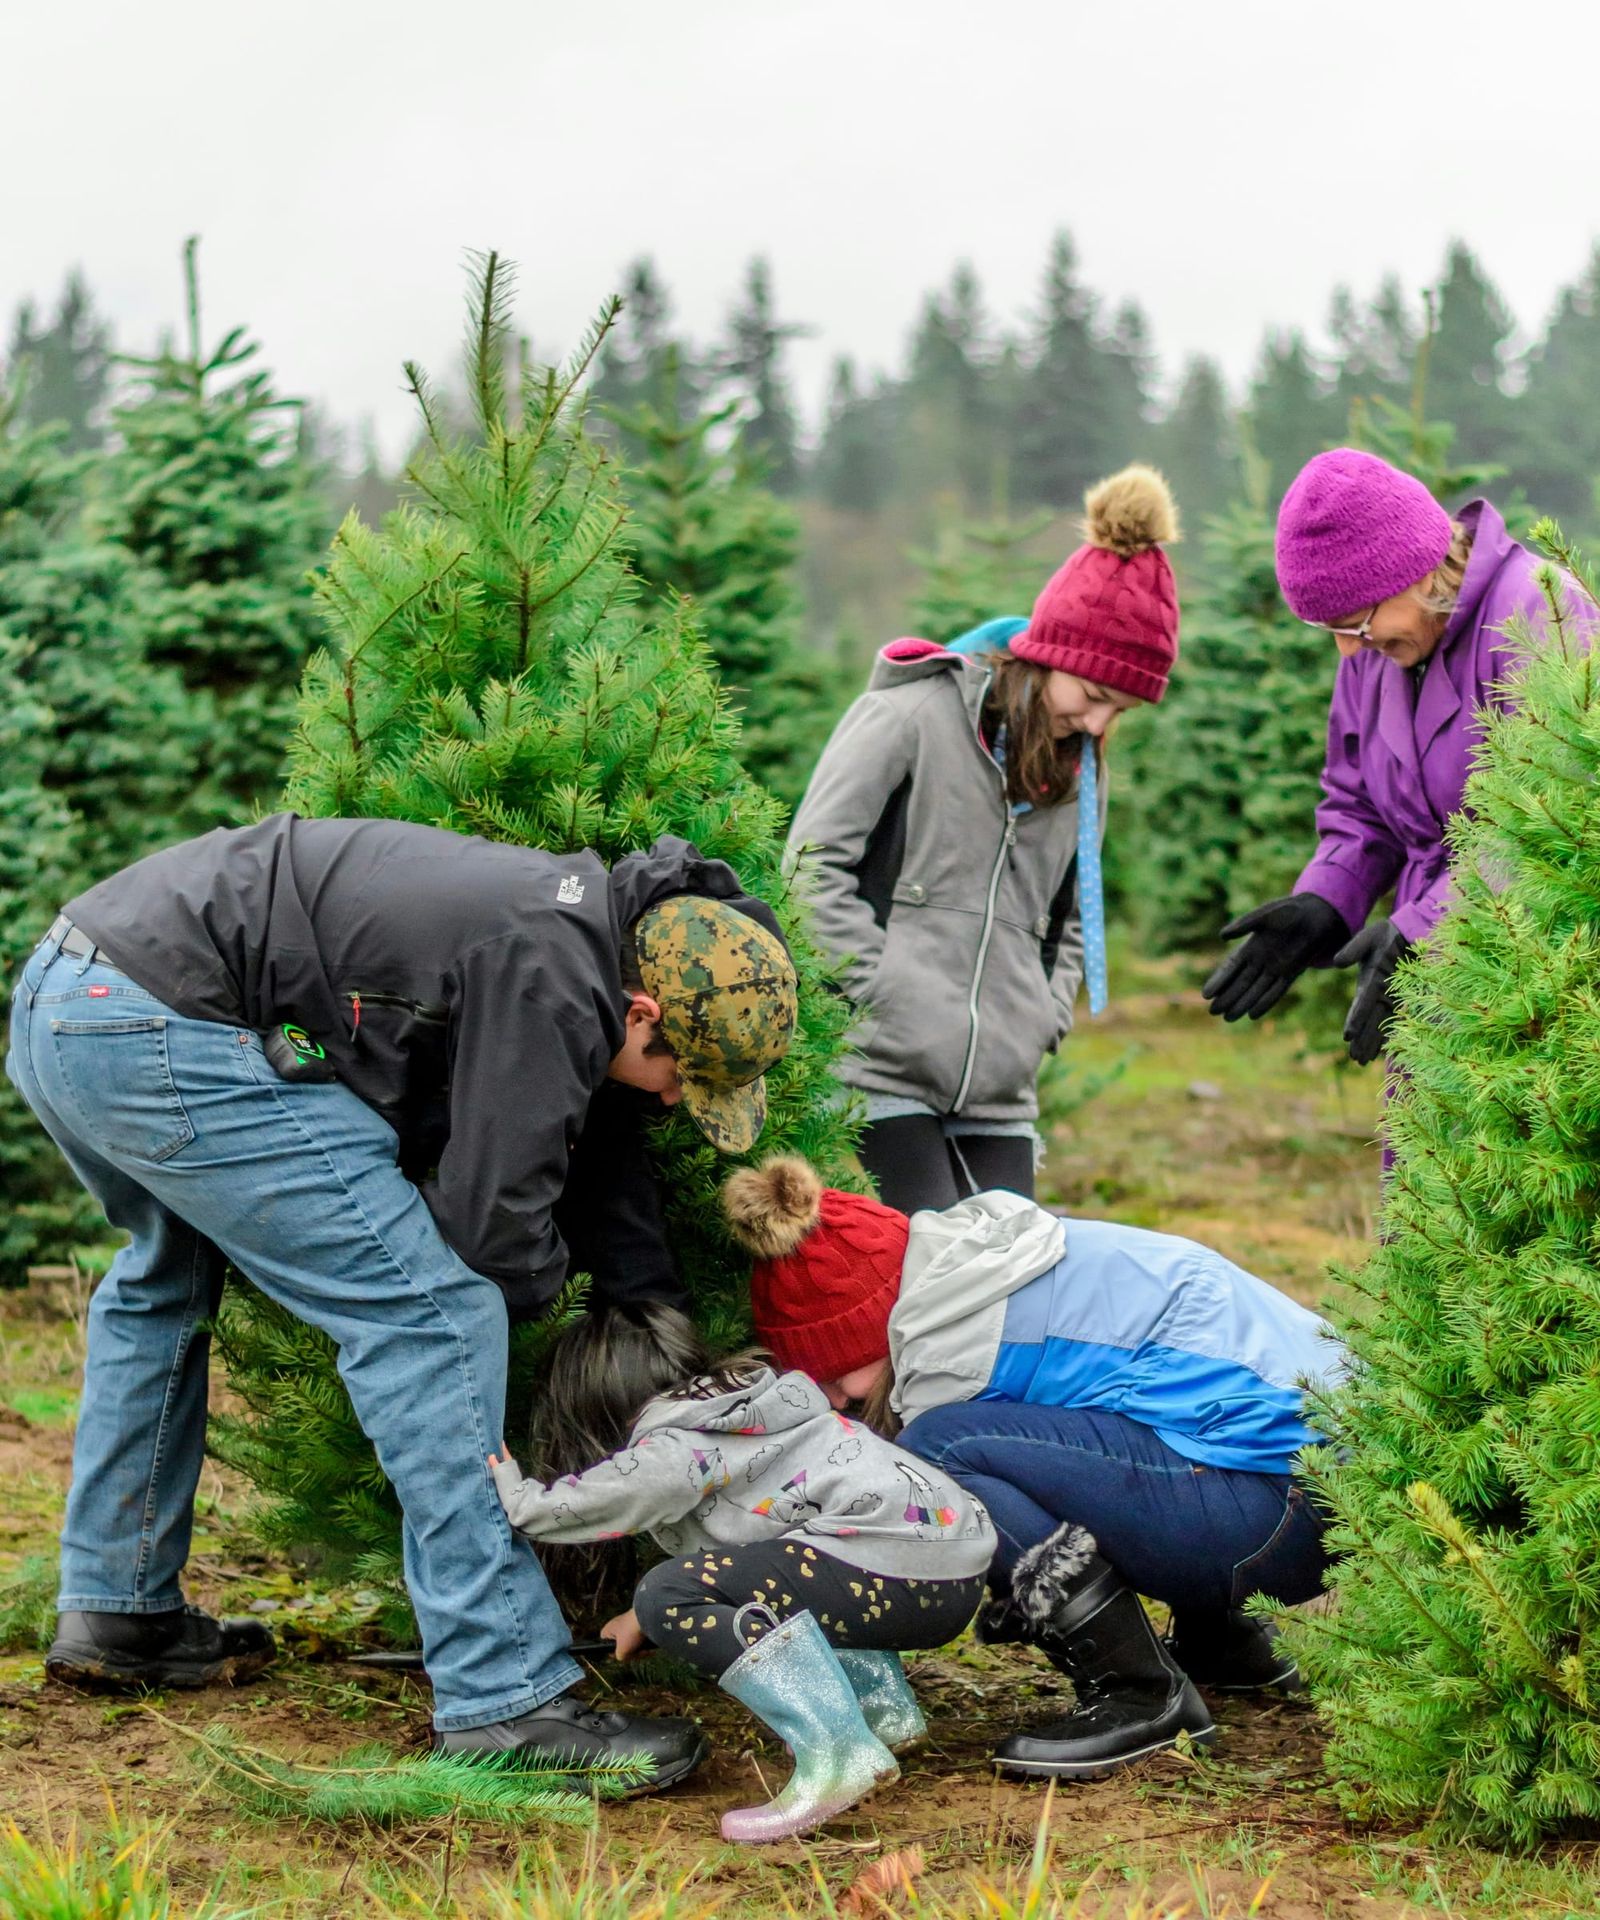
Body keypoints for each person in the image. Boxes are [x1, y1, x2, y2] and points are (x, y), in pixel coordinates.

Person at [5, 811, 797, 1787]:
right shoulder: (556, 975)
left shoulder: (573, 922)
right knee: (434, 1316)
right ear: (639, 1013)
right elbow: (490, 1225)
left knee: (165, 1282)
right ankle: (503, 1694)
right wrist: (551, 1314)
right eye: (679, 1074)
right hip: (160, 1019)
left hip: (77, 993)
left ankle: (118, 1611)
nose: (673, 1100)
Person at [722, 1156, 1343, 1782]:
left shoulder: (952, 1349)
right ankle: (1223, 1644)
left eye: (828, 1373)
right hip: (1326, 1490)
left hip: (1277, 1519)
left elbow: (926, 1510)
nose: (831, 1398)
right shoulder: (987, 1261)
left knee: (932, 1452)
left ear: (864, 1332)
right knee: (1120, 1421)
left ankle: (1141, 1693)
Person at [787, 466, 1180, 1214]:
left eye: (1120, 711)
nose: (1099, 725)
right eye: (1094, 696)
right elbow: (812, 867)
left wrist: (1040, 1017)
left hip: (1000, 1088)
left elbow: (1067, 923)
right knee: (927, 1279)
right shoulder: (910, 716)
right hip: (879, 1072)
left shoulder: (1082, 774)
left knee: (1009, 1287)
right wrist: (875, 994)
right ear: (1048, 655)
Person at [490, 1310, 993, 1842]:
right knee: (798, 1567)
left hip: (890, 1568)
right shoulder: (750, 1410)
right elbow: (763, 1562)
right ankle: (880, 1710)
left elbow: (603, 1498)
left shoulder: (677, 1442)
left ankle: (840, 1753)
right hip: (952, 1568)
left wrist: (519, 1498)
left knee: (667, 1591)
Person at [1203, 447, 1581, 1063]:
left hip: (1547, 976)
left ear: (1417, 570)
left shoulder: (1538, 613)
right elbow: (1359, 805)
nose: (1347, 652)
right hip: (1431, 975)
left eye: (1354, 622)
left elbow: (1556, 814)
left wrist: (1427, 928)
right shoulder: (1377, 651)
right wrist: (1328, 898)